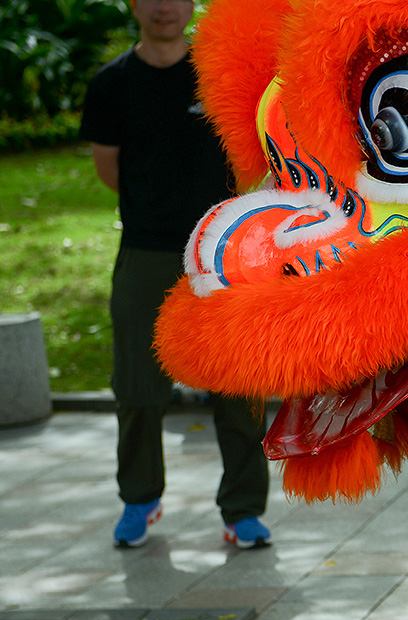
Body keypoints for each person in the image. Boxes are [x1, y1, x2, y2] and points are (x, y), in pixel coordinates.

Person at [80, 0, 271, 550]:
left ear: (189, 5)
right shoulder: (111, 84)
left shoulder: (216, 75)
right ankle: (140, 499)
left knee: (238, 388)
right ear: (134, 6)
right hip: (145, 251)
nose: (163, 7)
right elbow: (108, 169)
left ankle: (244, 509)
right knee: (138, 388)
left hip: (221, 253)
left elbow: (248, 154)